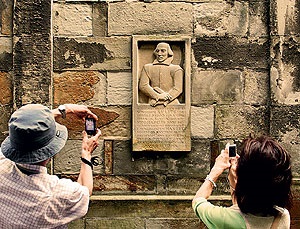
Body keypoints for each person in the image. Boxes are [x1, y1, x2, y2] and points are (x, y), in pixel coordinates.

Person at [0, 103, 102, 228]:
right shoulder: (56, 193)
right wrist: (86, 152)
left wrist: (63, 110)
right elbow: (85, 190)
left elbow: (25, 132)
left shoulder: (2, 165)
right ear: (50, 150)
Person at [192, 135, 293, 228]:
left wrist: (216, 170)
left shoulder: (224, 219)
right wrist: (235, 179)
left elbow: (197, 202)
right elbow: (243, 209)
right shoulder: (283, 216)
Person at [138, 42, 184, 107]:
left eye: (163, 51)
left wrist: (164, 100)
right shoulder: (147, 67)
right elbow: (143, 85)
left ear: (168, 52)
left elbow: (178, 89)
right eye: (157, 51)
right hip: (152, 103)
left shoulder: (176, 69)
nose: (159, 54)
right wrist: (157, 96)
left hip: (171, 103)